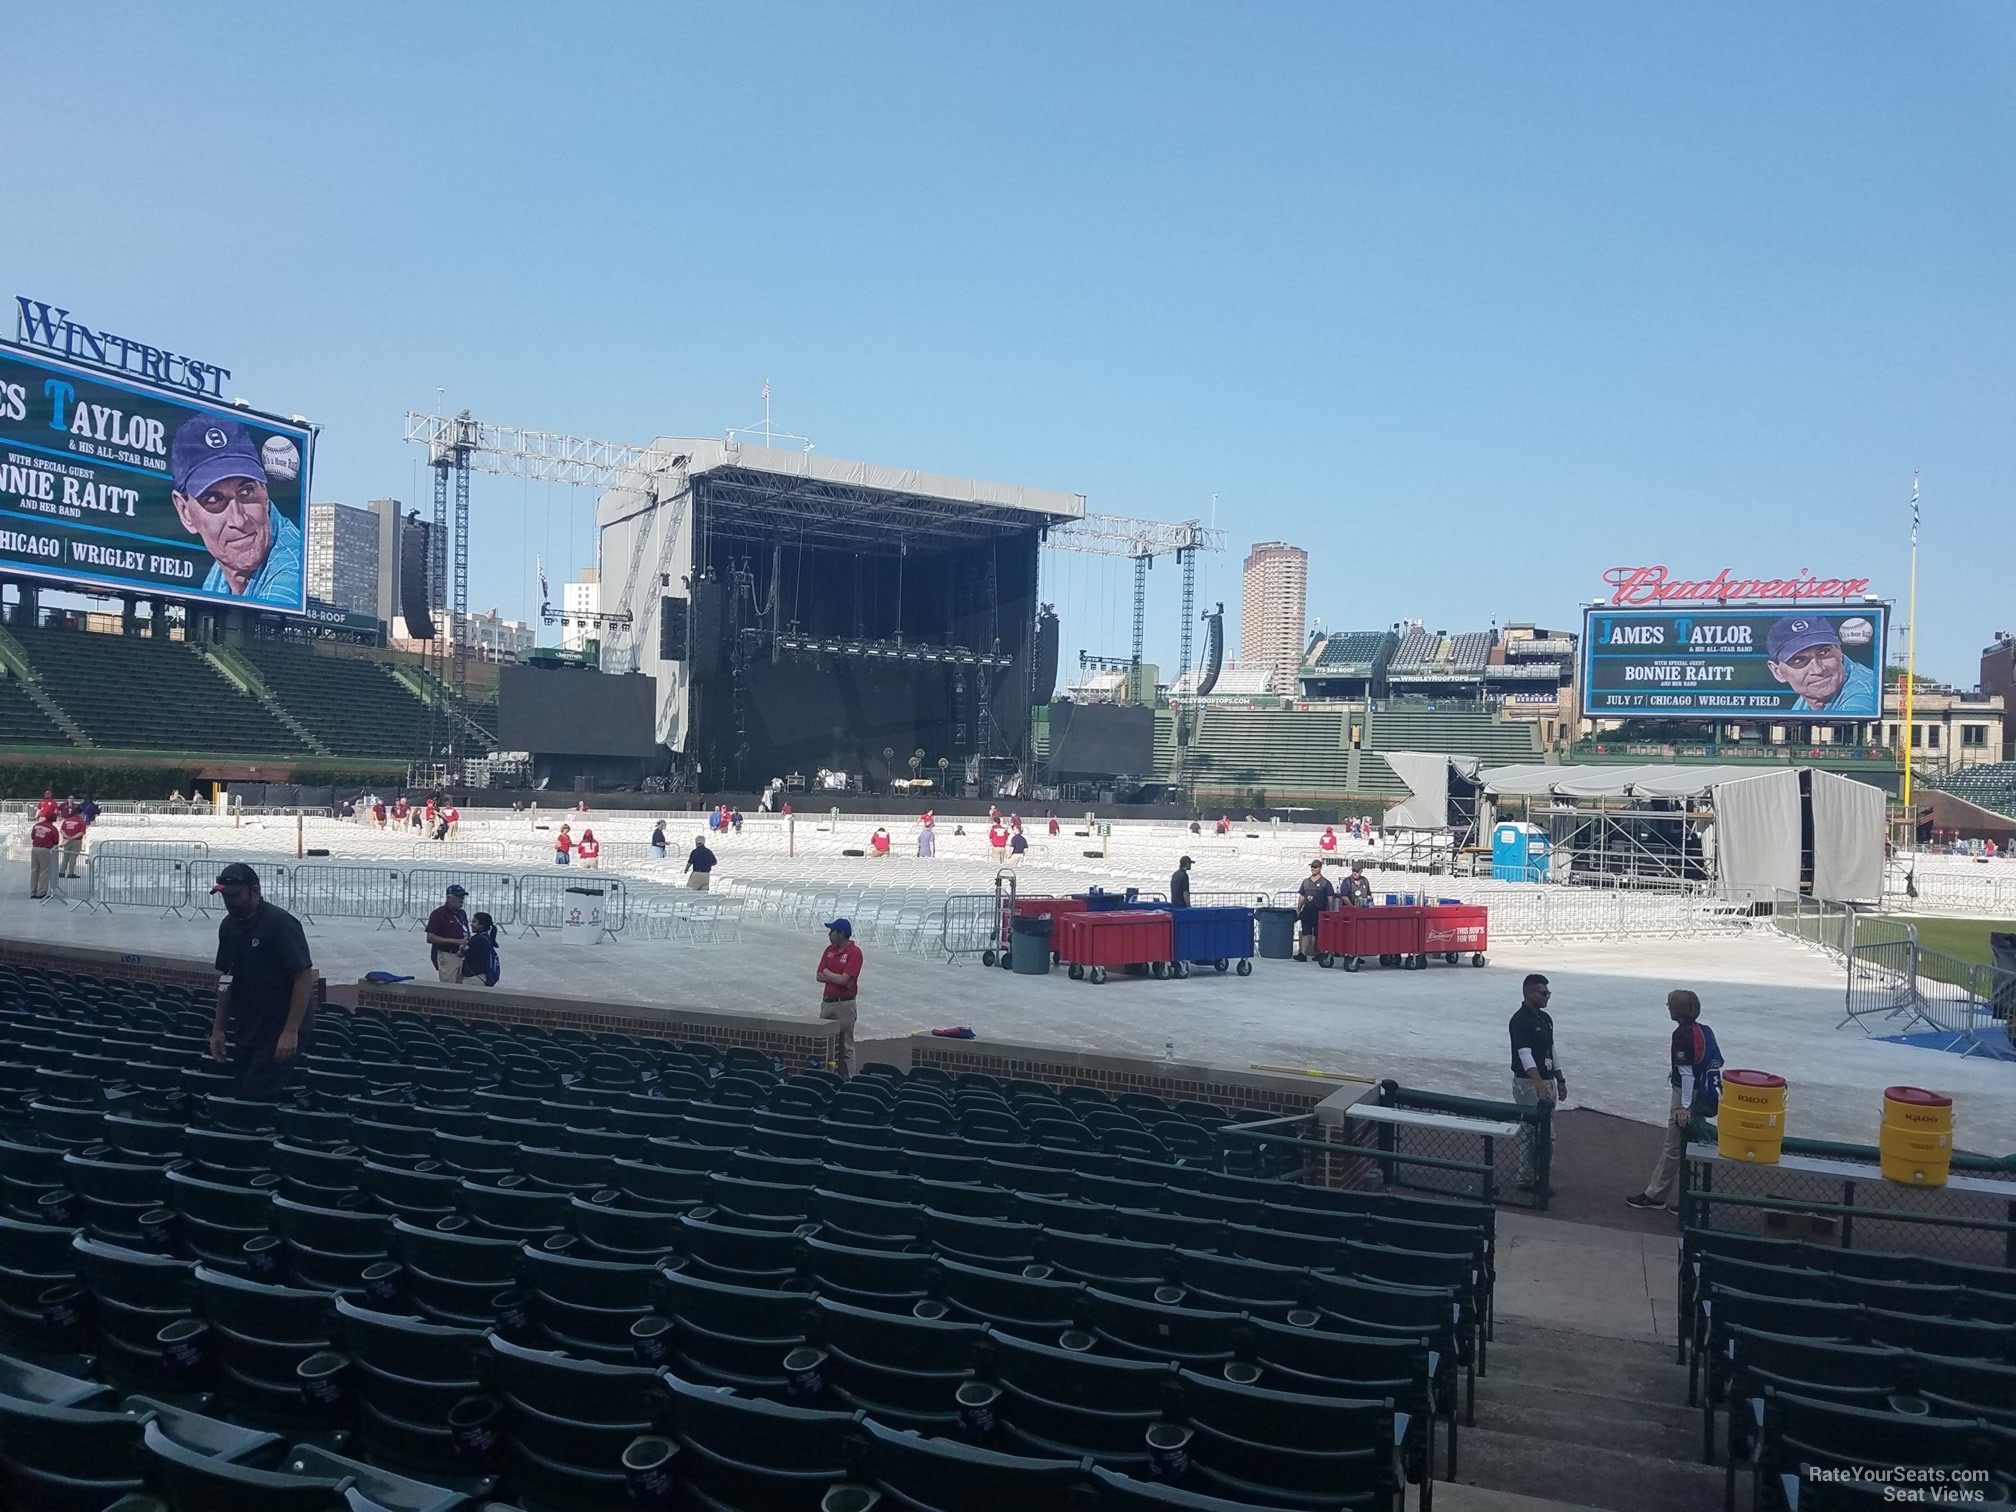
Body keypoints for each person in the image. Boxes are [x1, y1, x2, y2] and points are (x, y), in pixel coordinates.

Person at [170, 415, 303, 606]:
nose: (238, 520)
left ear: (265, 492)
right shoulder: (224, 566)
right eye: (214, 499)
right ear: (185, 512)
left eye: (246, 491)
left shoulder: (291, 573)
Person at [208, 863, 314, 1101]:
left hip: (279, 1025)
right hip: (248, 1024)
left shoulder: (280, 924)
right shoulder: (228, 927)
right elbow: (225, 978)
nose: (229, 902)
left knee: (256, 1093)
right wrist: (218, 1029)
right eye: (225, 896)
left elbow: (303, 978)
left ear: (254, 891)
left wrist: (290, 1031)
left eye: (235, 896)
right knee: (240, 1088)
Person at [1627, 990, 1724, 1212]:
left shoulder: (1681, 1035)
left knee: (1673, 1145)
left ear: (1678, 1009)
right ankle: (1692, 1197)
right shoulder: (1705, 1031)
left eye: (1670, 1004)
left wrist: (1683, 1107)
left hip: (1686, 1094)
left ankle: (1656, 1195)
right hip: (1704, 1093)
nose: (1668, 1007)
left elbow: (1687, 1074)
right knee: (1695, 1144)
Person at [1508, 974, 1566, 1190]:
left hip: (1545, 1080)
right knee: (1533, 1132)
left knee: (1543, 1132)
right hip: (1529, 1082)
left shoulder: (1545, 1019)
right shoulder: (1520, 1020)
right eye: (1543, 993)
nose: (1547, 997)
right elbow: (1524, 1053)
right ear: (1529, 993)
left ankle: (1539, 1175)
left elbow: (1551, 1049)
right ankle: (1529, 1178)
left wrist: (1559, 1079)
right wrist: (1537, 1082)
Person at [1764, 616, 1878, 714]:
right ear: (1777, 671)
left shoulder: (1863, 694)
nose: (1818, 670)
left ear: (1839, 650)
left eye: (1824, 653)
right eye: (1798, 660)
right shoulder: (1810, 695)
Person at [815, 918, 863, 1077]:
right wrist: (833, 976)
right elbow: (818, 975)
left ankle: (850, 1079)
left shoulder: (854, 953)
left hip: (844, 1005)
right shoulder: (829, 950)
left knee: (846, 1045)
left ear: (841, 934)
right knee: (823, 1041)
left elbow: (844, 980)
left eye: (832, 931)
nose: (829, 934)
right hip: (827, 1002)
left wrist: (828, 973)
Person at [424, 884, 471, 983]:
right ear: (449, 898)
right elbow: (430, 938)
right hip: (448, 954)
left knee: (462, 986)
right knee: (449, 986)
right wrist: (455, 941)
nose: (461, 900)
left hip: (463, 954)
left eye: (463, 897)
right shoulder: (438, 914)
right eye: (458, 897)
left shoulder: (462, 913)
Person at [1294, 859, 1335, 962]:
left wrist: (1330, 912)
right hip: (1307, 910)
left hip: (1320, 911)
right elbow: (1302, 896)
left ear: (1320, 868)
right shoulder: (1306, 882)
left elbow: (1330, 899)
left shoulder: (1326, 883)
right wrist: (1299, 908)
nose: (1313, 869)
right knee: (1306, 933)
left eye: (1315, 867)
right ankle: (1303, 954)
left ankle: (1319, 953)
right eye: (1312, 867)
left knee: (1318, 934)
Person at [460, 911, 501, 988]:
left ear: (482, 925)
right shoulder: (486, 937)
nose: (471, 924)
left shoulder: (478, 939)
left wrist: (461, 946)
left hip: (474, 978)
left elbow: (460, 953)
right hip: (481, 976)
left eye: (474, 922)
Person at [28, 812, 59, 899]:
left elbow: (33, 836)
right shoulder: (52, 829)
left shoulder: (37, 825)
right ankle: (41, 892)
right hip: (45, 850)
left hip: (35, 848)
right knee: (44, 871)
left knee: (34, 870)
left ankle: (33, 891)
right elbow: (56, 841)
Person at [57, 804, 87, 879]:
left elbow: (61, 830)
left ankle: (62, 872)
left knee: (65, 856)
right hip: (76, 841)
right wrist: (73, 837)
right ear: (80, 813)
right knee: (73, 857)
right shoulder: (81, 822)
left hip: (66, 840)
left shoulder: (66, 821)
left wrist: (67, 837)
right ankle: (71, 873)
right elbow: (81, 832)